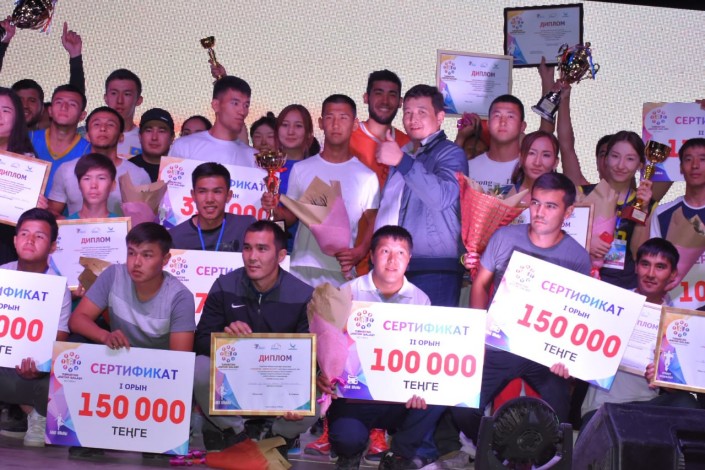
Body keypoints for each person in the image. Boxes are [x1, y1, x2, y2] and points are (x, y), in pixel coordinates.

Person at [451, 173, 591, 466]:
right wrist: (479, 331)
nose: (539, 212)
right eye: (536, 203)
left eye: (551, 206)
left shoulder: (577, 257)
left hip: (544, 353)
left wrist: (568, 357)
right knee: (461, 406)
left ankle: (533, 459)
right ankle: (497, 452)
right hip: (500, 344)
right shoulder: (505, 237)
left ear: (568, 212)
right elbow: (480, 284)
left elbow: (576, 314)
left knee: (560, 415)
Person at [320, 225, 444, 470]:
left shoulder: (420, 300)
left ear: (409, 259)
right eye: (385, 251)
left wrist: (420, 385)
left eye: (400, 253)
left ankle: (398, 454)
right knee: (346, 439)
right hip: (354, 395)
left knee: (439, 394)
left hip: (398, 397)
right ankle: (350, 452)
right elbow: (327, 343)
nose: (392, 260)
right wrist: (323, 375)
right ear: (372, 256)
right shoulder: (348, 292)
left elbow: (424, 354)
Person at [193, 221, 315, 452]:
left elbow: (309, 357)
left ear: (280, 255)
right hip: (234, 381)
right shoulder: (224, 286)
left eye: (262, 249)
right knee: (199, 367)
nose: (252, 257)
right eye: (247, 248)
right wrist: (225, 340)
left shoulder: (302, 295)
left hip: (278, 380)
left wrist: (298, 393)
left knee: (318, 394)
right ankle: (236, 434)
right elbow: (200, 341)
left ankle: (280, 435)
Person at [579, 238, 700, 432]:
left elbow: (673, 388)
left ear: (673, 274)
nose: (650, 274)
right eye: (645, 264)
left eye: (660, 267)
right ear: (636, 267)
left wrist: (664, 378)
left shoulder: (677, 325)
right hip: (604, 407)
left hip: (647, 407)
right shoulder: (612, 303)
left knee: (686, 402)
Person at [263, 94, 380, 287]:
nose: (336, 124)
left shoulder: (366, 176)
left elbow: (374, 220)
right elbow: (290, 218)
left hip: (341, 271)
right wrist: (274, 210)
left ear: (354, 124)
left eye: (343, 118)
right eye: (329, 117)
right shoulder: (302, 169)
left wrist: (359, 252)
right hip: (300, 268)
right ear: (320, 122)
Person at [375, 84, 468, 307]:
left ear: (440, 117)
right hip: (397, 265)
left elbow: (441, 197)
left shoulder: (451, 153)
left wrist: (401, 161)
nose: (412, 118)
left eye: (421, 112)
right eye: (407, 112)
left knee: (433, 330)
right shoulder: (405, 152)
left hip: (434, 267)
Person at [0, 209, 72, 447]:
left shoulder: (58, 287)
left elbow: (59, 340)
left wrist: (40, 367)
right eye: (24, 234)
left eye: (39, 236)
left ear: (52, 246)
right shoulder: (2, 274)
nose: (29, 240)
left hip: (33, 372)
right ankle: (27, 409)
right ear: (14, 240)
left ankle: (37, 414)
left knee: (61, 371)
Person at [48, 106, 151, 217]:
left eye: (110, 125)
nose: (103, 128)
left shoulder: (138, 175)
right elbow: (52, 213)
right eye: (96, 124)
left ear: (121, 137)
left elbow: (145, 219)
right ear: (87, 136)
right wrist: (70, 223)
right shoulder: (67, 170)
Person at [586, 131, 653, 290]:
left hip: (626, 287)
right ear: (605, 159)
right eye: (615, 156)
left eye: (630, 159)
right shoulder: (582, 194)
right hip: (585, 280)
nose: (621, 165)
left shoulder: (647, 203)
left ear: (640, 165)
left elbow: (638, 253)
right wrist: (587, 241)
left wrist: (643, 209)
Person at [2, 20, 86, 130]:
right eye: (19, 100)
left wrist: (75, 55)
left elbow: (75, 98)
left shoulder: (48, 133)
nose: (25, 106)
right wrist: (4, 41)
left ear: (44, 109)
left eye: (32, 100)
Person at [170, 76, 257, 168]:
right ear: (216, 105)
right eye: (235, 103)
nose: (242, 111)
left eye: (246, 105)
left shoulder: (253, 157)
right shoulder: (184, 146)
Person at [169, 162, 255, 251]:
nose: (209, 199)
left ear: (228, 196)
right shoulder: (174, 238)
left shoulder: (246, 226)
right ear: (193, 195)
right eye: (202, 191)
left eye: (217, 191)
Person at [349, 69, 410, 189]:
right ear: (366, 98)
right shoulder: (347, 138)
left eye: (392, 95)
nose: (385, 101)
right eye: (378, 93)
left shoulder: (408, 144)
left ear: (400, 102)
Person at [29, 84, 91, 196]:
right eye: (59, 102)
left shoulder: (89, 151)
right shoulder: (27, 139)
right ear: (50, 110)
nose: (64, 107)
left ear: (82, 115)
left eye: (72, 104)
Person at [0, 87, 36, 265]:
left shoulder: (28, 161)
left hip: (6, 243)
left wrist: (35, 204)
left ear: (17, 118)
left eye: (6, 110)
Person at [465, 94, 526, 194]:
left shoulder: (531, 168)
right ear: (488, 124)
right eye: (497, 115)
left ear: (522, 126)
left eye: (510, 116)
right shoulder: (468, 167)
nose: (503, 122)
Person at [510, 130, 561, 203]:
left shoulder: (567, 198)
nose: (537, 163)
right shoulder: (501, 194)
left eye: (546, 155)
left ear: (555, 163)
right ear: (520, 158)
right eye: (531, 153)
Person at [104, 69, 143, 156]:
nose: (120, 101)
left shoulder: (147, 141)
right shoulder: (88, 137)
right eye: (114, 93)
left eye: (127, 94)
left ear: (139, 100)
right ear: (106, 98)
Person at [66, 153, 118, 219]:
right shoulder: (67, 224)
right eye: (87, 178)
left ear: (113, 185)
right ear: (79, 184)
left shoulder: (121, 224)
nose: (93, 185)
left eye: (101, 178)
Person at [130, 107, 175, 182]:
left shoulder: (182, 170)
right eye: (148, 130)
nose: (154, 137)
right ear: (140, 136)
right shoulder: (126, 168)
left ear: (172, 137)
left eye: (161, 131)